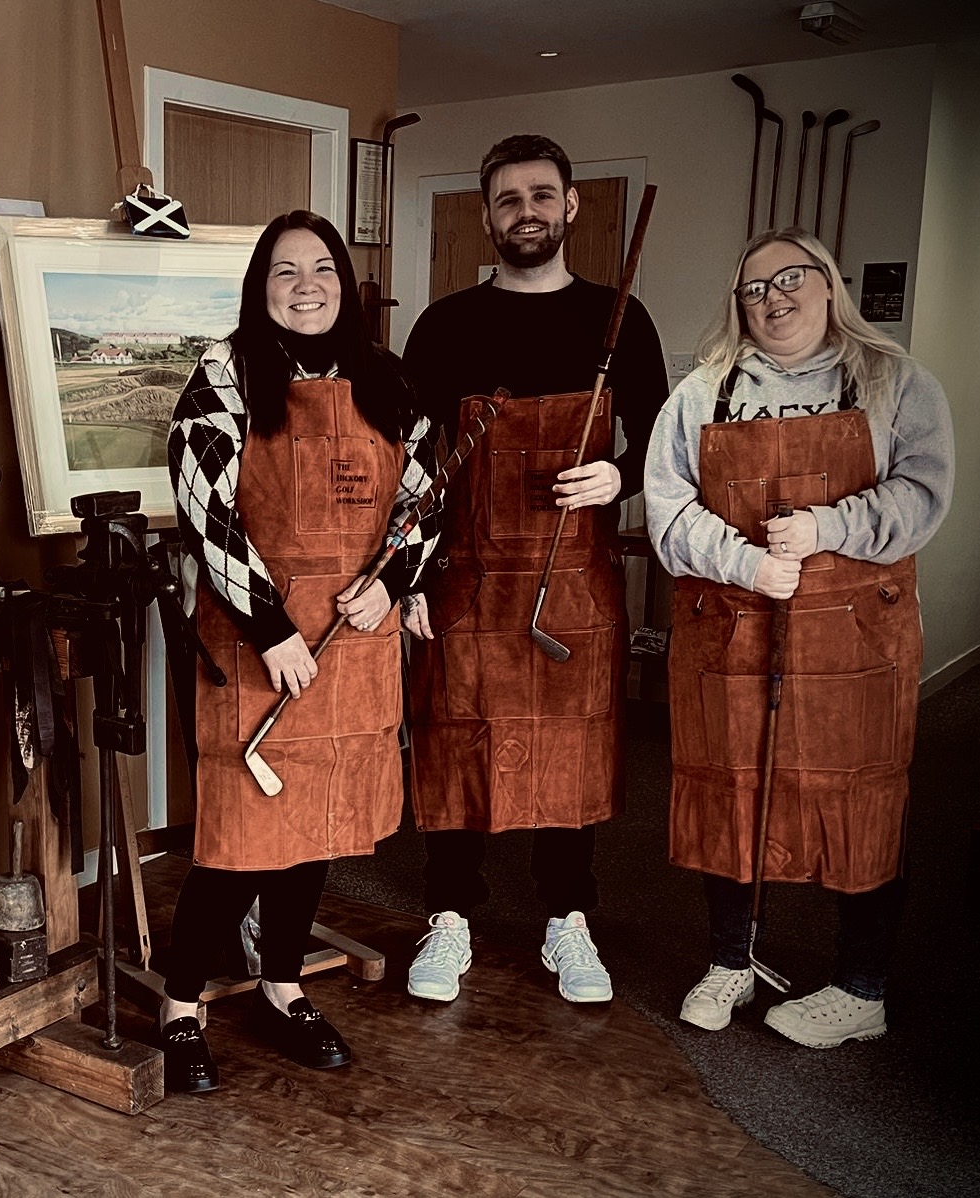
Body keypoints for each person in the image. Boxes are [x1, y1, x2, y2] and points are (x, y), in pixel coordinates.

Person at [645, 228, 953, 1047]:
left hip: (856, 635)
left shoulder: (892, 382)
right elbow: (666, 509)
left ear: (827, 286)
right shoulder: (702, 392)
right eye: (753, 287)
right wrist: (743, 563)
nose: (772, 297)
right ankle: (729, 960)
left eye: (790, 279)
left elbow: (922, 494)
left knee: (861, 801)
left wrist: (827, 524)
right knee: (729, 790)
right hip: (733, 628)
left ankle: (860, 988)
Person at [162, 210, 444, 1092]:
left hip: (354, 640)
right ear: (260, 287)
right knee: (238, 835)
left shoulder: (386, 380)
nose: (306, 285)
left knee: (314, 827)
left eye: (320, 268)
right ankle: (179, 1007)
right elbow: (204, 510)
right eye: (284, 272)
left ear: (343, 282)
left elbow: (426, 498)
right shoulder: (223, 376)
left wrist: (392, 583)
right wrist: (271, 628)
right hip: (258, 642)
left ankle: (281, 986)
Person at [400, 134, 668, 1005]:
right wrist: (406, 578)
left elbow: (664, 441)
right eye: (508, 198)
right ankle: (449, 916)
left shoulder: (620, 318)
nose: (526, 210)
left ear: (570, 206)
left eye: (541, 195)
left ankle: (568, 920)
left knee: (572, 747)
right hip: (467, 573)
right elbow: (406, 460)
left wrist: (619, 474)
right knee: (454, 740)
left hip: (576, 576)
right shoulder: (445, 325)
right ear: (486, 214)